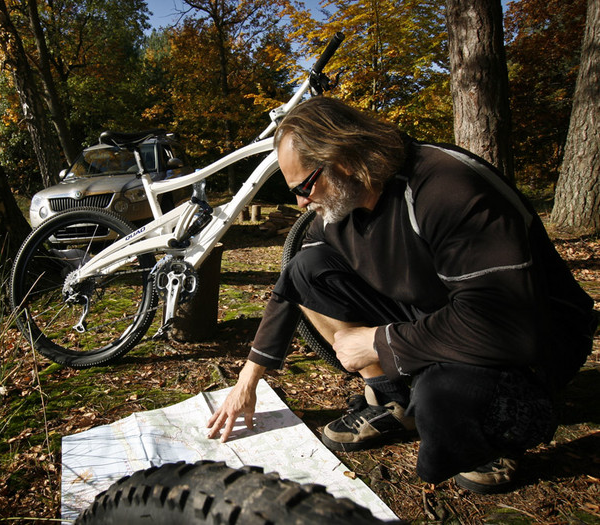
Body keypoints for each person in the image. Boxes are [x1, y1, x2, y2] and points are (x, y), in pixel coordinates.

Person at [206, 96, 597, 494]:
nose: (302, 203)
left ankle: (493, 435)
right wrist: (247, 381)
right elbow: (291, 284)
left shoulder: (447, 186)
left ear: (343, 158)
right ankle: (393, 402)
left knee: (440, 396)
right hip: (443, 313)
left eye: (305, 185)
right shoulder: (343, 203)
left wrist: (378, 342)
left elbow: (504, 323)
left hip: (535, 340)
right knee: (306, 267)